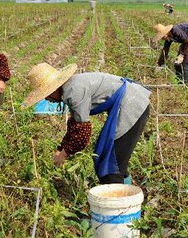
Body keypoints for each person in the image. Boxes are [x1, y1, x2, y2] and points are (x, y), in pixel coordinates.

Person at [23, 63, 151, 185]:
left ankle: (122, 203)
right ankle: (125, 189)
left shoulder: (73, 91)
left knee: (112, 163)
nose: (46, 99)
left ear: (53, 89)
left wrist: (64, 154)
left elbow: (83, 132)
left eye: (46, 94)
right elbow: (75, 125)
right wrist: (61, 147)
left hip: (133, 105)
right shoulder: (69, 88)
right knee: (112, 157)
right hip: (128, 102)